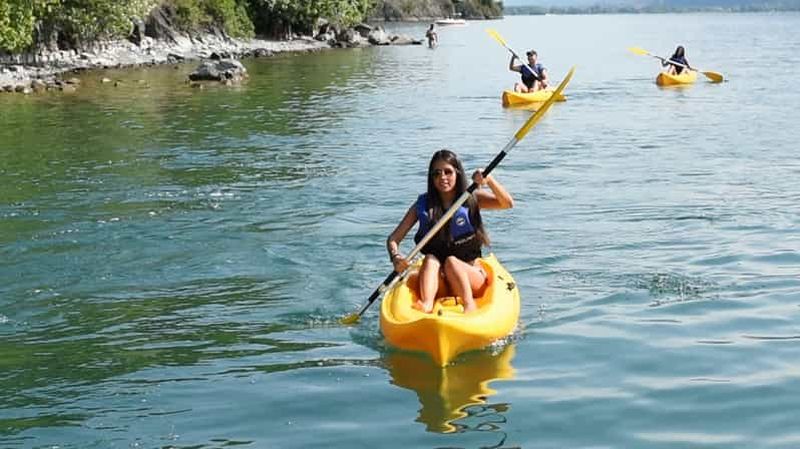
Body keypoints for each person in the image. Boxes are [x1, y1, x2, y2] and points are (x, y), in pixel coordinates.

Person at [386, 149, 514, 314]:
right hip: (439, 280)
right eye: (437, 173)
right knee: (430, 259)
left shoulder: (471, 198)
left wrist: (489, 180)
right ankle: (427, 303)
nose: (442, 178)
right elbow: (393, 239)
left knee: (452, 262)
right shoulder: (423, 205)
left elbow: (507, 203)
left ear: (457, 173)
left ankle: (469, 305)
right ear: (431, 178)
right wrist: (396, 257)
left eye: (448, 172)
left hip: (471, 277)